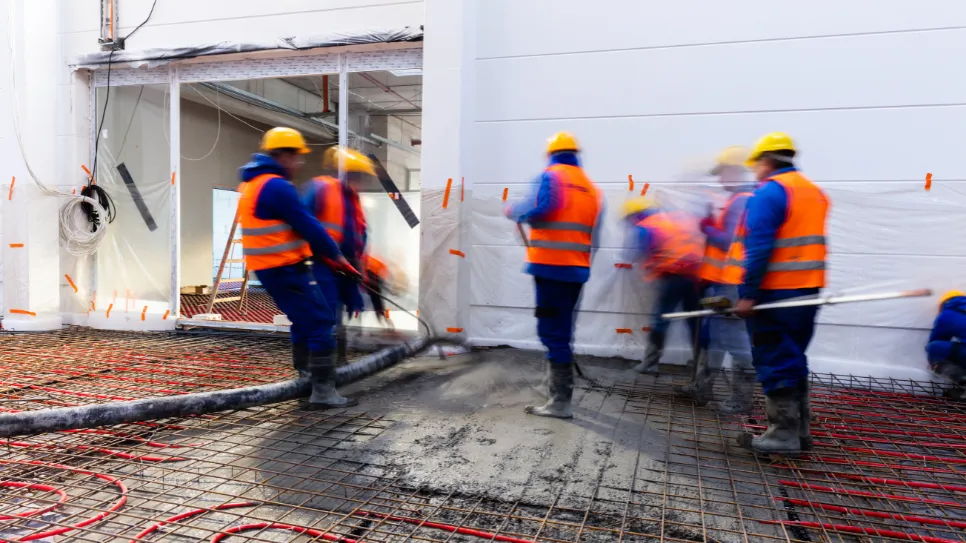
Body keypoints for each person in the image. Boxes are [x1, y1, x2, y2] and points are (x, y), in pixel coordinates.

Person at [238, 127, 359, 408]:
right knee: (321, 322)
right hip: (286, 269)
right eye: (297, 156)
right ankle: (323, 392)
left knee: (303, 320)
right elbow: (309, 226)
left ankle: (305, 375)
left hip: (268, 269)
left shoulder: (251, 185)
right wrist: (338, 257)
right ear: (282, 155)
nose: (300, 163)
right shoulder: (276, 186)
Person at [724, 132, 829, 455]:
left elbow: (759, 248)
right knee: (793, 356)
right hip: (806, 290)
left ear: (766, 162)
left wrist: (749, 294)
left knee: (775, 358)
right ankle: (800, 433)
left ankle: (782, 436)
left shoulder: (770, 193)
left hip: (774, 292)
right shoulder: (813, 191)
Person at [504, 131, 604, 419]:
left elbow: (540, 207)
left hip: (550, 267)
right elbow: (593, 233)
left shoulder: (551, 176)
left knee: (551, 332)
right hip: (577, 269)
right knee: (563, 329)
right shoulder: (590, 187)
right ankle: (555, 388)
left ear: (551, 154)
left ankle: (560, 402)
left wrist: (514, 210)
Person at [674, 146, 756, 414]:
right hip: (721, 281)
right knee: (716, 337)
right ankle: (702, 387)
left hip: (731, 283)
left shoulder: (742, 200)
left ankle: (742, 400)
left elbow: (726, 241)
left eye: (723, 173)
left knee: (735, 340)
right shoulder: (742, 199)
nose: (720, 180)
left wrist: (708, 226)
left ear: (735, 170)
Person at [301, 147, 373, 362]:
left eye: (361, 177)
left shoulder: (353, 198)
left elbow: (360, 232)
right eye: (356, 176)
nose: (359, 182)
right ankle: (319, 371)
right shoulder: (320, 188)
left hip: (345, 267)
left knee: (341, 311)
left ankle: (338, 361)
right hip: (321, 264)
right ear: (344, 173)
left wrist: (359, 262)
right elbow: (303, 223)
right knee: (325, 315)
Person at [621, 197, 703, 375]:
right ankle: (701, 365)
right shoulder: (670, 221)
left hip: (672, 276)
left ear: (636, 215)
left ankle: (650, 363)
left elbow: (631, 255)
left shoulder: (645, 227)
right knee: (695, 321)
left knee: (661, 319)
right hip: (694, 275)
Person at [926, 290, 966, 397]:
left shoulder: (947, 314)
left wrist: (933, 363)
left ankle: (962, 379)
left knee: (934, 347)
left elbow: (937, 338)